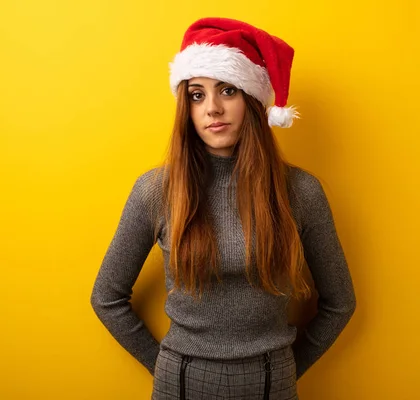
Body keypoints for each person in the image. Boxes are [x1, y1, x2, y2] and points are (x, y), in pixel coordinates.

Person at [90, 17, 357, 400]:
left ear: (252, 99)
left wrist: (286, 368)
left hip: (273, 383)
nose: (212, 108)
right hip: (178, 382)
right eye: (197, 95)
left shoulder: (299, 191)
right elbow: (106, 297)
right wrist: (164, 364)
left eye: (227, 90)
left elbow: (340, 302)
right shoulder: (156, 190)